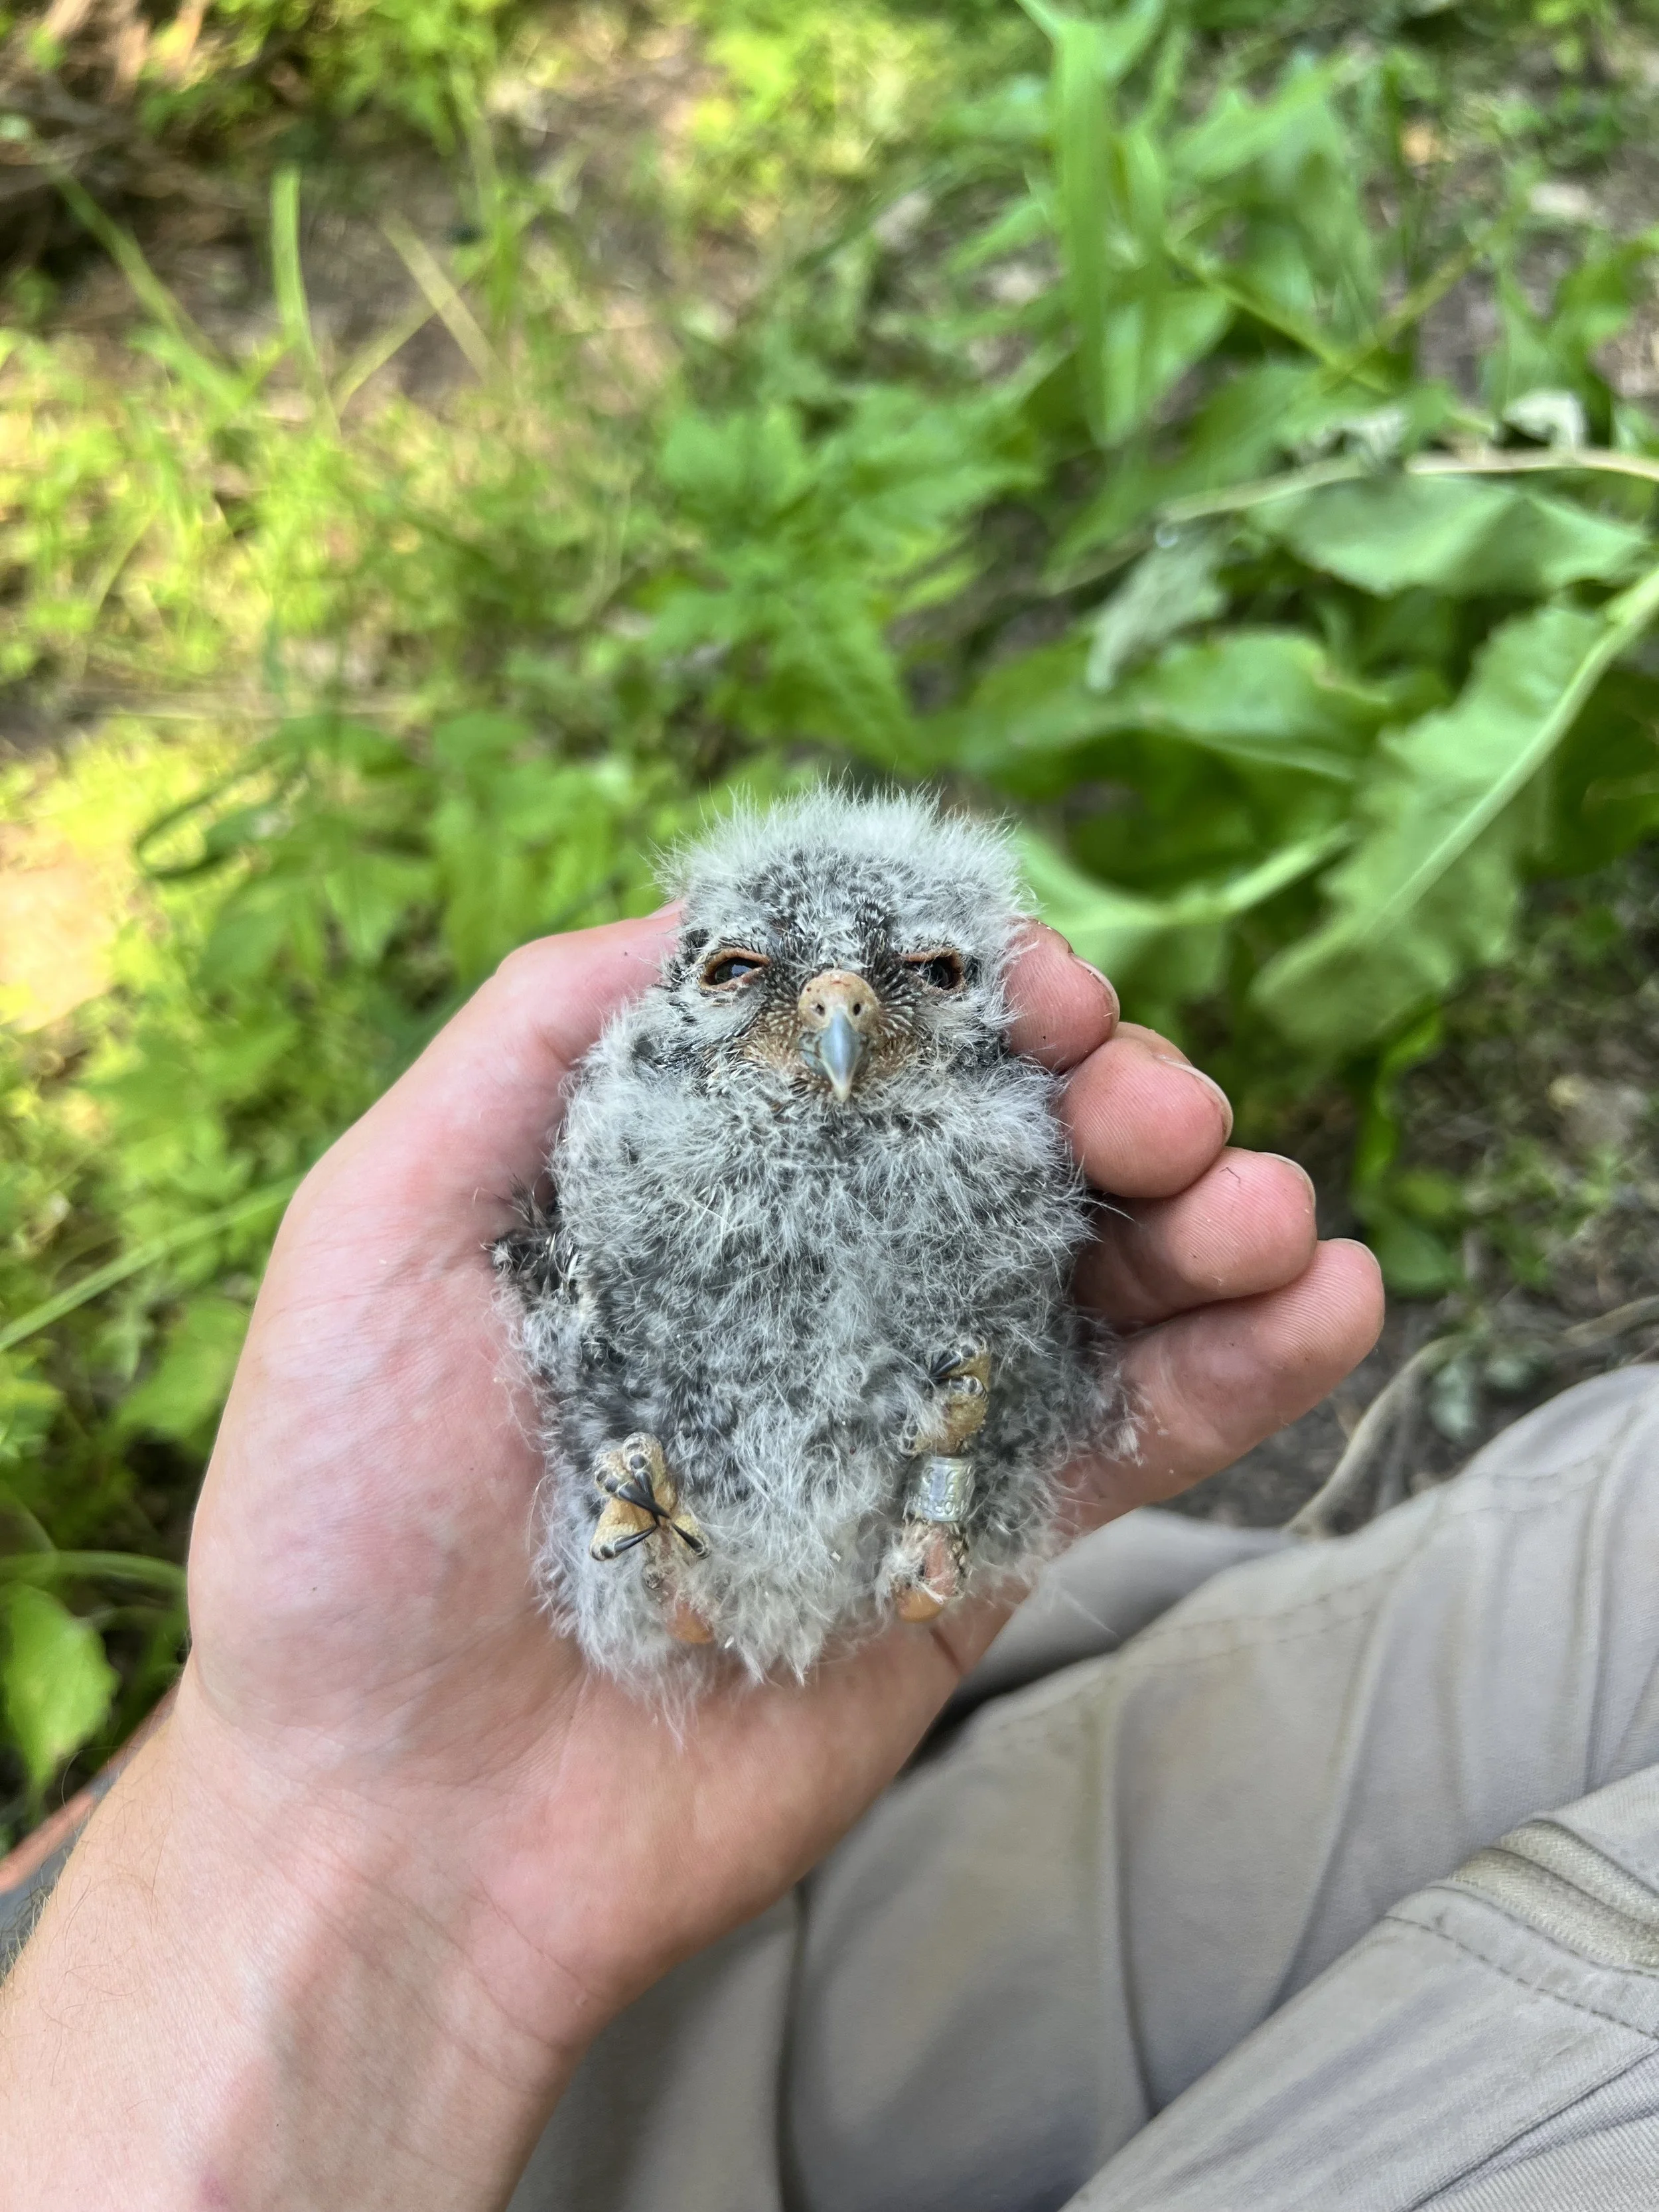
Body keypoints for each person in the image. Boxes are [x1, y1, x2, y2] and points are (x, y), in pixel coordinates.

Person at [1, 911, 1654, 2211]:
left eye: (925, 976)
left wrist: (326, 1822)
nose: (842, 1015)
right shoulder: (643, 1135)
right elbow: (599, 1346)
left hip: (694, 1969)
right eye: (747, 974)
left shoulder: (993, 1141)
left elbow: (1001, 1366)